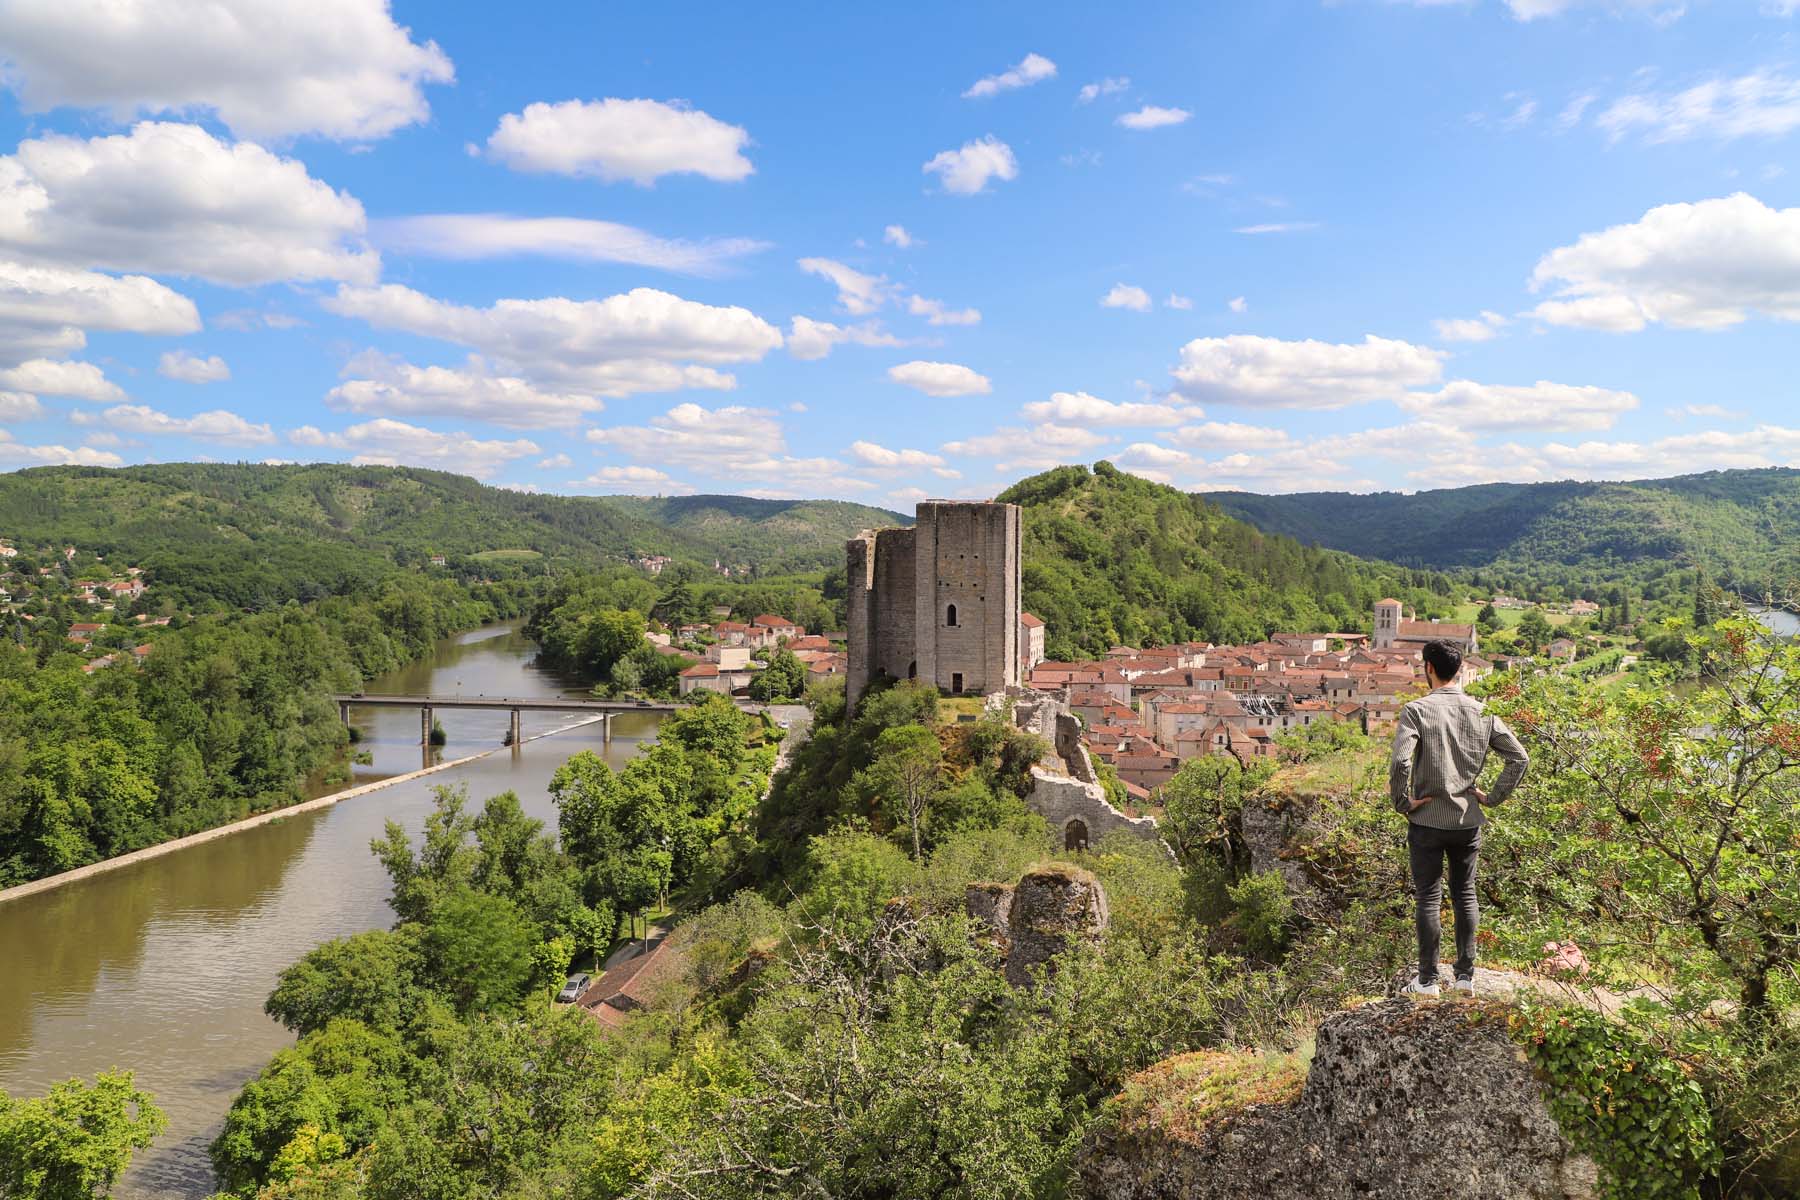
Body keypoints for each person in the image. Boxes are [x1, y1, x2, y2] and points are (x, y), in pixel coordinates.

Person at [1389, 639, 1529, 996]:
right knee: (1465, 894)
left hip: (1427, 821)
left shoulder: (1416, 710)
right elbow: (1519, 758)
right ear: (1460, 669)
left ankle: (1428, 981)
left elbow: (1401, 760)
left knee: (1428, 898)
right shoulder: (1483, 712)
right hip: (1467, 820)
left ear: (1429, 668)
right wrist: (1492, 798)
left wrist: (1403, 802)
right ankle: (1465, 976)